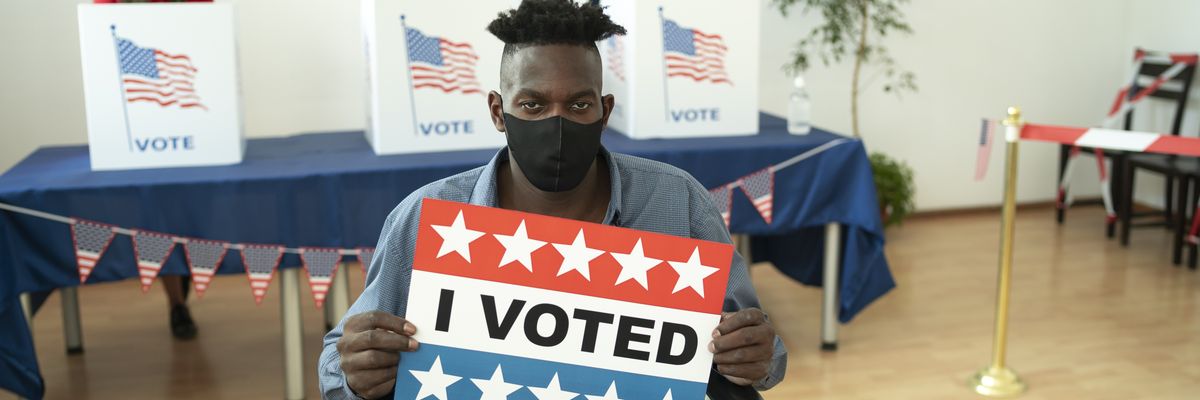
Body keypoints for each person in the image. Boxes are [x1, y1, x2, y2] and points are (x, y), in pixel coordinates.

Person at [318, 1, 786, 398]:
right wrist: (355, 371)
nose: (556, 123)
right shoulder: (427, 217)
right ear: (498, 112)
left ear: (604, 111)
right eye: (533, 105)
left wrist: (756, 355)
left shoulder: (677, 201)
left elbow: (761, 353)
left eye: (579, 105)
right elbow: (338, 360)